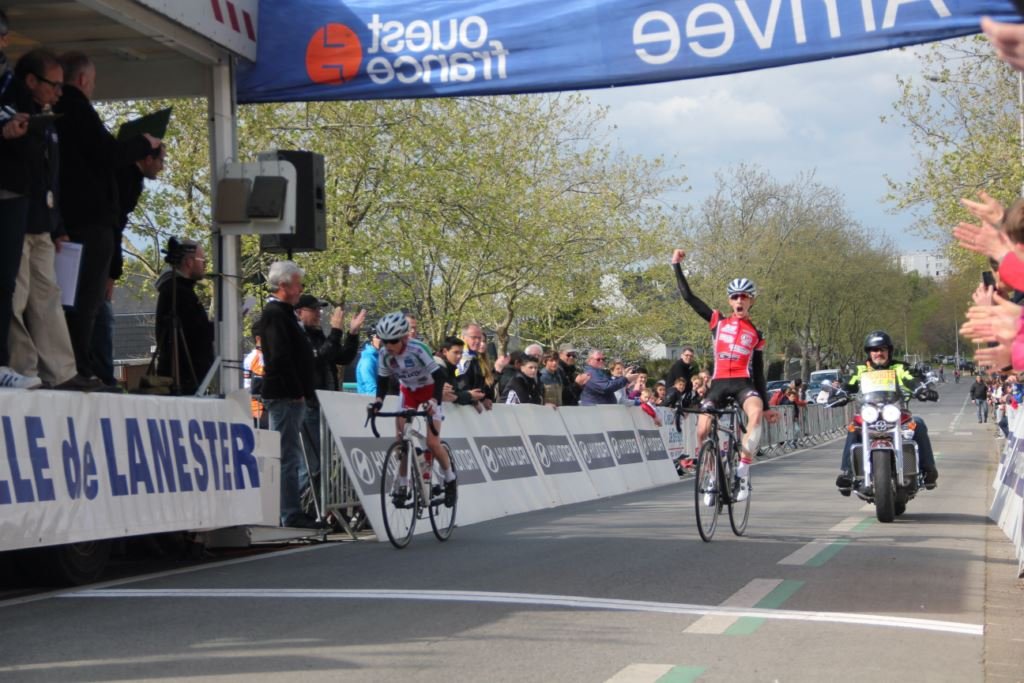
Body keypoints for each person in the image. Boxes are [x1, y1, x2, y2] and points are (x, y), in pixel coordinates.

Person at [55, 51, 161, 381]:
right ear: (83, 79)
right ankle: (80, 367)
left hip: (72, 221)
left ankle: (76, 365)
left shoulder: (61, 113)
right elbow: (107, 153)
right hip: (88, 222)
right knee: (85, 303)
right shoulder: (76, 109)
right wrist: (143, 142)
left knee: (77, 302)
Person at [5, 49, 93, 391]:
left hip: (41, 222)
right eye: (53, 85)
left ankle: (61, 371)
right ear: (31, 81)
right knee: (16, 297)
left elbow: (49, 177)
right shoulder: (11, 112)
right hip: (16, 220)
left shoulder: (46, 120)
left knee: (48, 295)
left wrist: (57, 225)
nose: (59, 92)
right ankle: (22, 368)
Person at [671, 248, 779, 502]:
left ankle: (743, 469)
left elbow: (760, 373)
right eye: (734, 297)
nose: (739, 301)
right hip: (718, 384)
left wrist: (767, 406)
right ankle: (710, 475)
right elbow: (689, 297)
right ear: (730, 301)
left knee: (754, 413)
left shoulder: (756, 333)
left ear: (751, 300)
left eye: (744, 297)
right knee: (702, 431)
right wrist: (675, 264)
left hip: (743, 384)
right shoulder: (717, 322)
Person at [90, 142, 166, 387]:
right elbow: (116, 224)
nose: (162, 168)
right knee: (101, 315)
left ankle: (100, 371)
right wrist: (113, 271)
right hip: (97, 251)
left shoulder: (128, 179)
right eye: (160, 161)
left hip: (101, 249)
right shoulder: (126, 180)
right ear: (146, 158)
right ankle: (101, 373)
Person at [257, 260, 323, 529]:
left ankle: (293, 508)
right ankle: (289, 511)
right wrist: (297, 390)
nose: (300, 289)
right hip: (285, 395)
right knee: (288, 456)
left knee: (292, 455)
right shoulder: (275, 314)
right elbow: (280, 356)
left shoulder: (284, 313)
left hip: (293, 394)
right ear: (283, 285)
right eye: (297, 284)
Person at [835, 330, 939, 494]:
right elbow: (850, 383)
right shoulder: (861, 370)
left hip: (895, 413)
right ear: (869, 352)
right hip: (870, 414)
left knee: (918, 423)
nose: (878, 353)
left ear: (888, 351)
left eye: (882, 349)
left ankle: (928, 470)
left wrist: (921, 389)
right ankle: (847, 473)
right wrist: (841, 393)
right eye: (874, 350)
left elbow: (910, 379)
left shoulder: (898, 367)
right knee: (854, 427)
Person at [370, 312, 456, 507]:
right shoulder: (384, 354)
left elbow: (440, 375)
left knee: (433, 443)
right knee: (400, 441)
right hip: (408, 391)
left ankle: (450, 479)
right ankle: (402, 484)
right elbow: (382, 382)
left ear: (404, 337)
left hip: (429, 390)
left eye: (392, 341)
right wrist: (377, 403)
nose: (388, 346)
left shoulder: (418, 350)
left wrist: (434, 400)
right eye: (384, 341)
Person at [0, 11, 39, 390]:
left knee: (6, 283)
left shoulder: (13, 83)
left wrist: (18, 133)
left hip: (12, 193)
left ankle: (0, 365)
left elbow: (33, 141)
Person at [296, 293, 365, 495]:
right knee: (311, 463)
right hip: (309, 406)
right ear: (299, 312)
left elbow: (340, 357)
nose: (319, 314)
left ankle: (315, 508)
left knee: (323, 462)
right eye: (314, 310)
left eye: (320, 309)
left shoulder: (317, 334)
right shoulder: (299, 336)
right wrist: (336, 331)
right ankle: (297, 508)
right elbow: (317, 358)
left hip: (324, 405)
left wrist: (352, 334)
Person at [154, 237, 214, 396]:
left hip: (184, 375)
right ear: (189, 262)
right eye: (202, 260)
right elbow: (197, 333)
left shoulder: (175, 289)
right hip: (184, 377)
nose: (205, 265)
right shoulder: (179, 292)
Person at [454, 323, 494, 410]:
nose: (477, 341)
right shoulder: (461, 357)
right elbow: (459, 384)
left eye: (479, 338)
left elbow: (479, 384)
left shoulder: (475, 357)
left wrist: (485, 398)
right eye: (473, 337)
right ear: (463, 337)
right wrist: (471, 399)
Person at [242, 319, 267, 428]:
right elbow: (248, 386)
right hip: (258, 410)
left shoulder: (269, 354)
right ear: (258, 339)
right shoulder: (253, 357)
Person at [355, 325, 381, 395]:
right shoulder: (367, 361)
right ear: (371, 339)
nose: (382, 340)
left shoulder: (381, 356)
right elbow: (371, 391)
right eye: (379, 337)